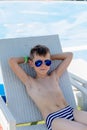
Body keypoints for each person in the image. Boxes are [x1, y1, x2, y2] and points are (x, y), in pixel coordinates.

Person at [9, 44, 87, 130]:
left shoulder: (54, 76)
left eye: (47, 62)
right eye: (38, 63)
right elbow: (12, 61)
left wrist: (50, 57)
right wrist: (28, 59)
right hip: (54, 119)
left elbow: (69, 55)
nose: (43, 65)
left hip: (70, 111)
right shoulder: (30, 82)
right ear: (31, 63)